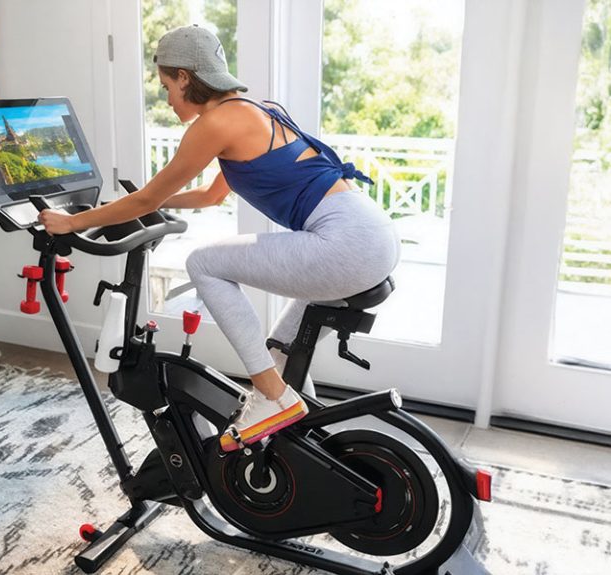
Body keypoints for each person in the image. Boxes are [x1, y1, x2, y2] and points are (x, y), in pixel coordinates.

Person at [37, 25, 400, 452]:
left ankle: (275, 398)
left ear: (185, 77)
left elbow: (148, 197)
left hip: (346, 244)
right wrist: (138, 205)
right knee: (280, 352)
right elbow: (209, 196)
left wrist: (72, 222)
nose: (167, 99)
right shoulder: (257, 109)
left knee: (203, 263)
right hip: (373, 235)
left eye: (166, 86)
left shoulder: (215, 123)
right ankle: (304, 445)